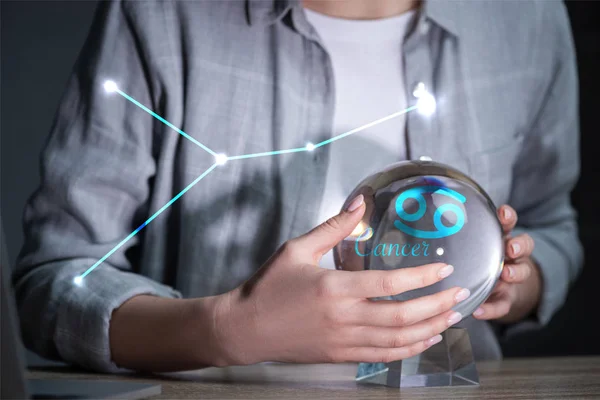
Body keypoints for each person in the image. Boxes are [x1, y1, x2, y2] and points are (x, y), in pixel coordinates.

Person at [14, 0, 582, 372]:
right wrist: (222, 331)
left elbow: (551, 226)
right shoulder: (160, 15)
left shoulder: (528, 20)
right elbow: (53, 280)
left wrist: (512, 283)